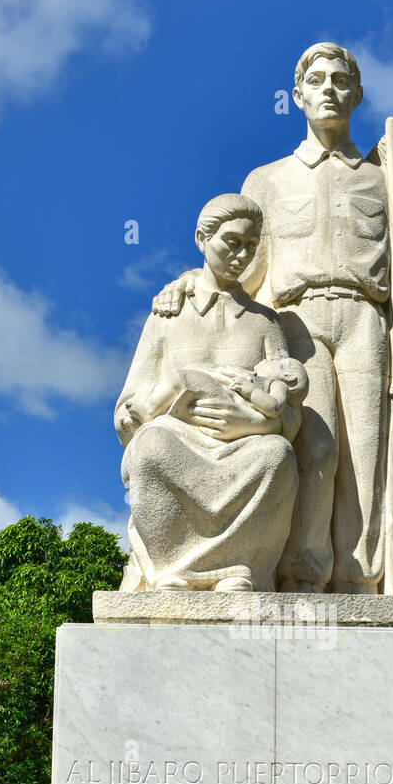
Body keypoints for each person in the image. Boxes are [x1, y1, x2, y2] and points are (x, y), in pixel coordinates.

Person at [152, 42, 393, 594]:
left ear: (357, 94)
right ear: (297, 95)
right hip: (293, 321)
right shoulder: (266, 180)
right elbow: (241, 265)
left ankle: (356, 578)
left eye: (340, 80)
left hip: (363, 318)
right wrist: (190, 281)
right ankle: (302, 570)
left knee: (366, 459)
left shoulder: (388, 186)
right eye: (317, 80)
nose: (329, 89)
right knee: (315, 450)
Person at [115, 194, 305, 593]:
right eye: (231, 243)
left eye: (251, 247)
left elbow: (289, 406)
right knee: (150, 445)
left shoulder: (265, 323)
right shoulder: (167, 315)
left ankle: (237, 567)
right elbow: (127, 408)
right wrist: (160, 404)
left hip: (244, 449)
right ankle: (173, 569)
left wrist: (254, 421)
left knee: (277, 455)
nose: (242, 256)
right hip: (178, 439)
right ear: (202, 239)